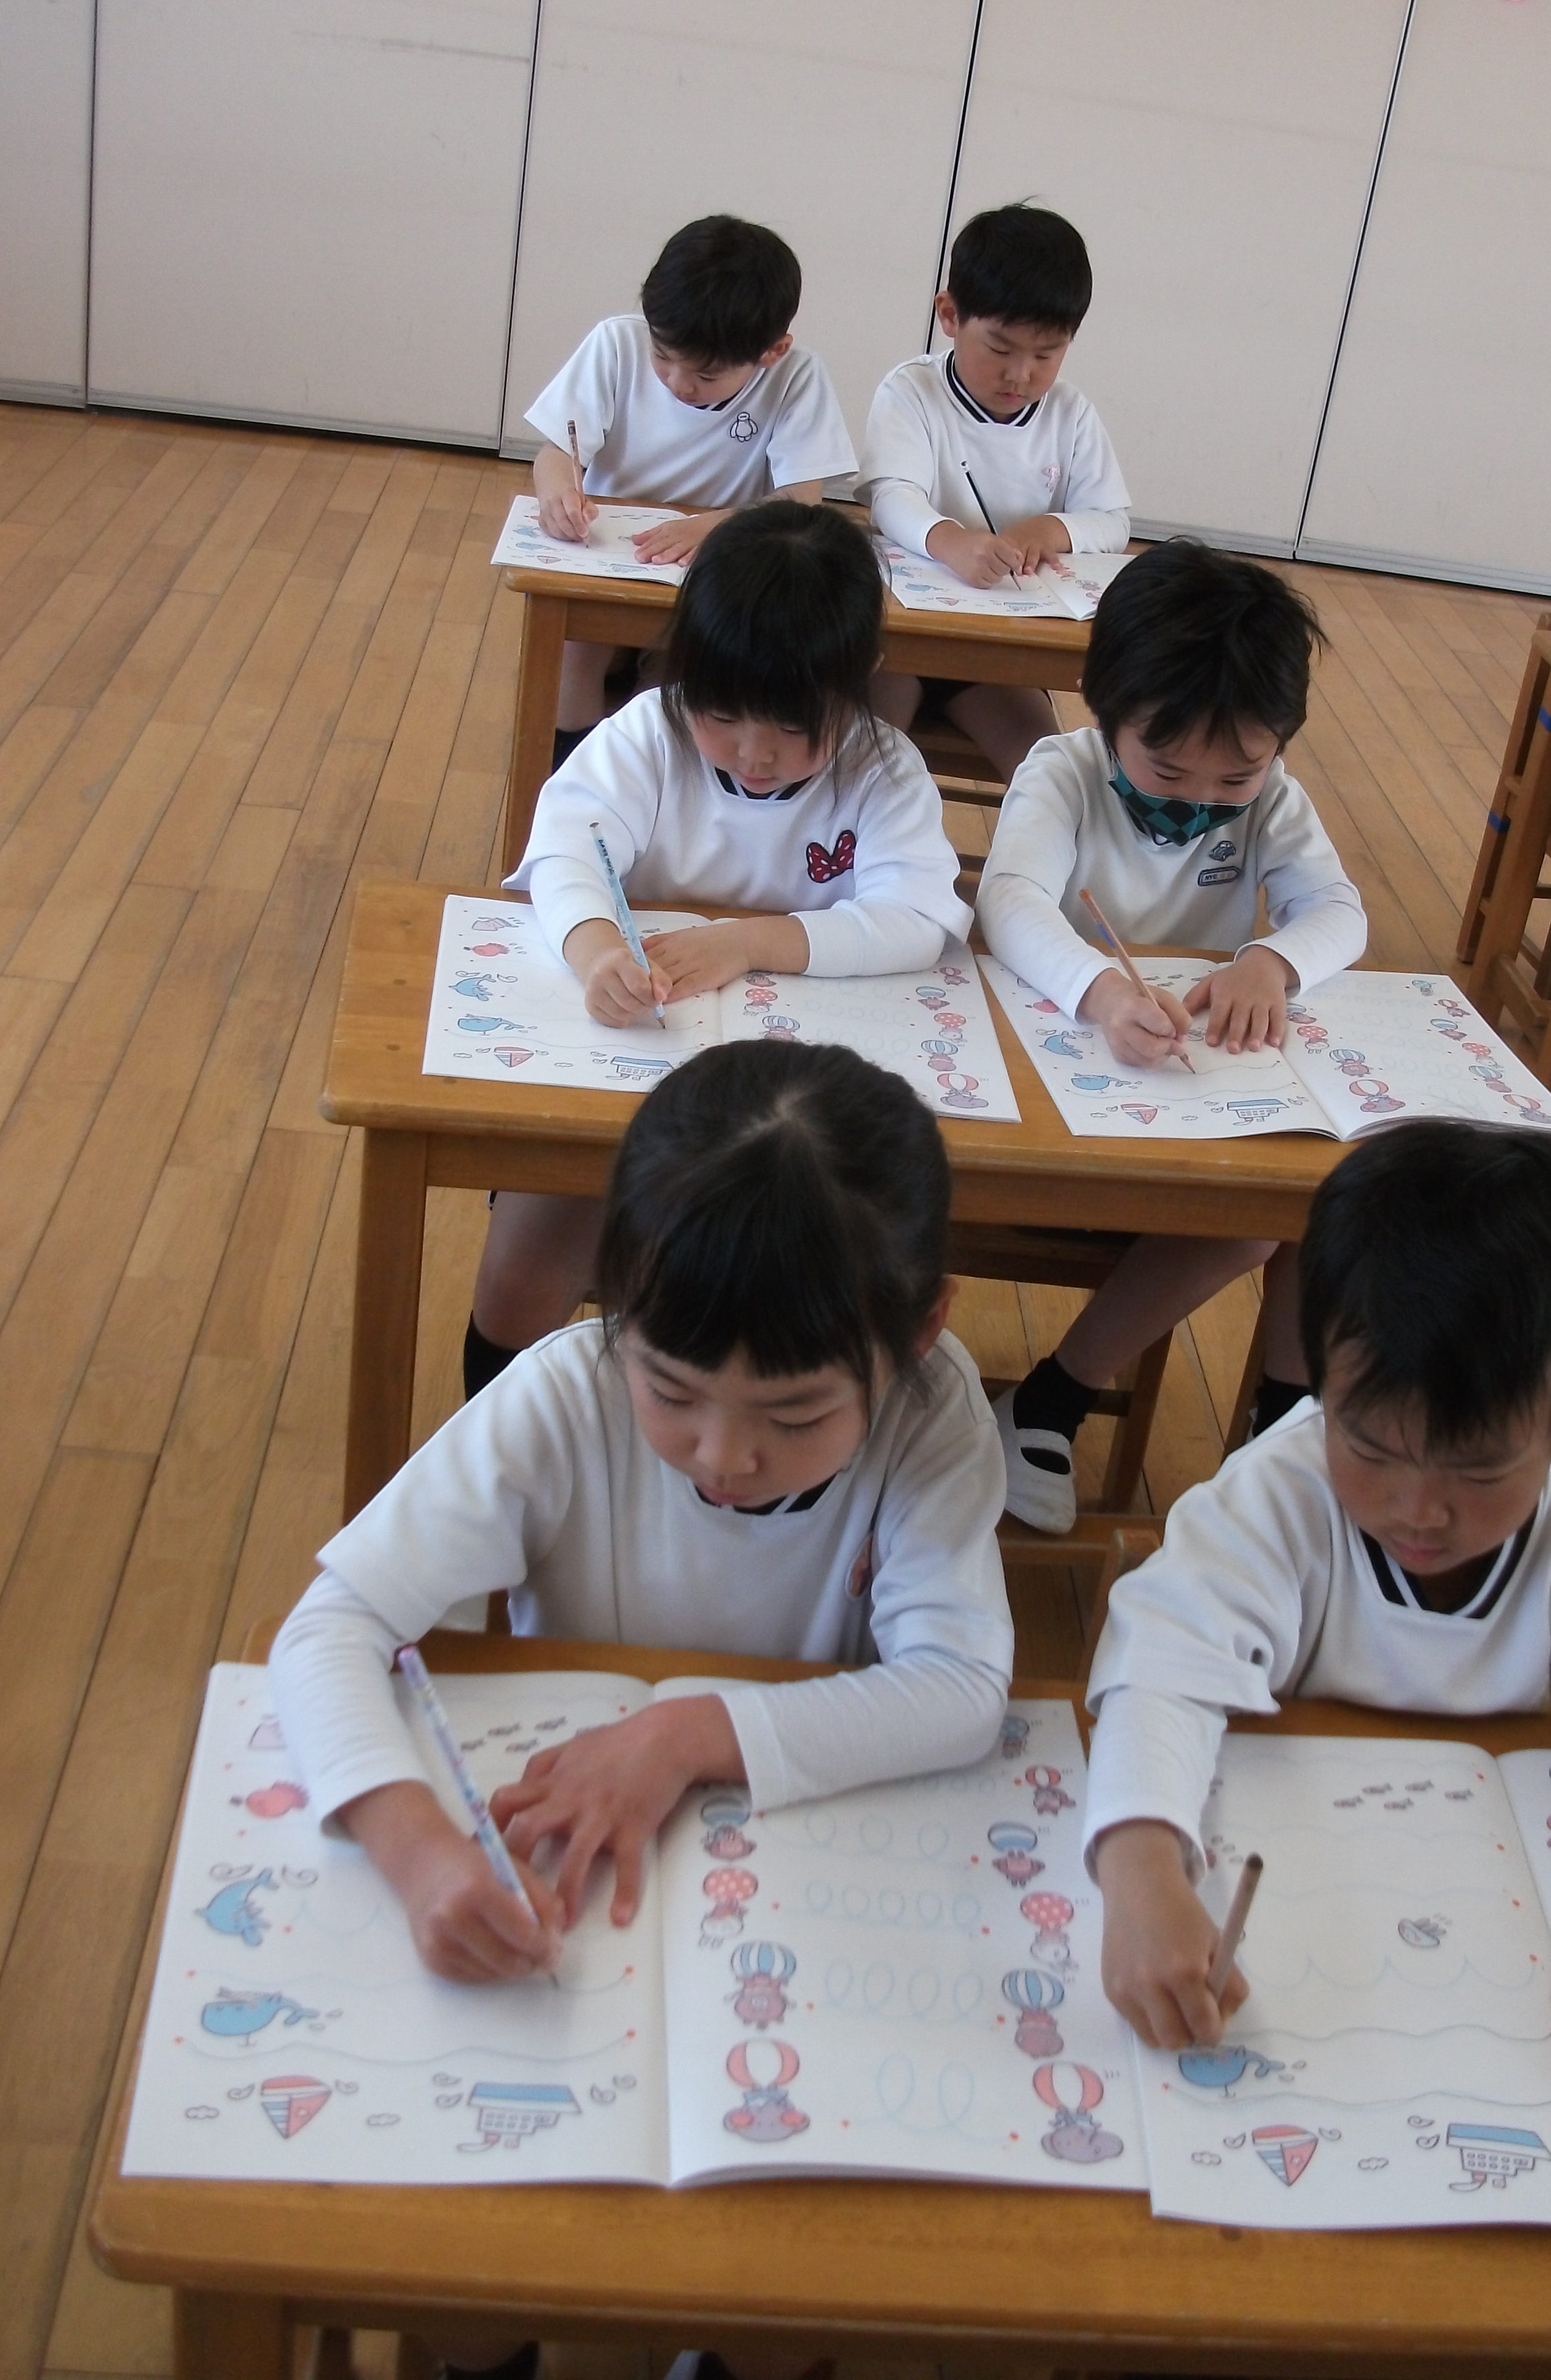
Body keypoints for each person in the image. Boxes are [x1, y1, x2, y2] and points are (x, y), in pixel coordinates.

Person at [272, 1042, 1011, 2380]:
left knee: (787, 2282)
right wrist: (417, 1850)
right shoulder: (566, 1391)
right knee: (472, 2254)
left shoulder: (932, 1417)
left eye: (794, 1414)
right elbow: (330, 1625)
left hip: (799, 1888)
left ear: (917, 1332)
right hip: (559, 1894)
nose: (724, 1455)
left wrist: (681, 1733)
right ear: (616, 1298)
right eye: (672, 1391)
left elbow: (962, 1688)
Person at [1085, 1123, 1551, 2164]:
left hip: (1489, 1945)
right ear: (1317, 1371)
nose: (1418, 1510)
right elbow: (1161, 1677)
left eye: (1480, 1470)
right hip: (1305, 1923)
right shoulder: (1275, 1499)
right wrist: (1141, 1867)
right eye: (1369, 1447)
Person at [464, 501, 969, 1392]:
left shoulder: (883, 770)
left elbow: (922, 917)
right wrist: (595, 951)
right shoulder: (647, 736)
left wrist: (751, 941)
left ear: (861, 680)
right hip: (630, 1068)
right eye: (724, 713)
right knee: (518, 1285)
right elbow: (566, 850)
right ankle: (515, 1429)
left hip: (793, 1122)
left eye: (794, 727)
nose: (754, 753)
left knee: (779, 1301)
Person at [975, 541, 1365, 1529]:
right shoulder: (1062, 772)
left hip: (1180, 1089)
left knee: (1301, 1198)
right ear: (1105, 711)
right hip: (1051, 1075)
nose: (1198, 799)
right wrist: (1102, 993)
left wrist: (1269, 962)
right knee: (1259, 1212)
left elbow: (1339, 912)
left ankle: (1279, 1435)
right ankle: (1054, 1400)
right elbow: (1010, 902)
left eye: (1237, 776)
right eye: (1166, 766)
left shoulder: (1273, 801)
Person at [524, 214, 855, 756]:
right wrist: (558, 490)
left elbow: (802, 501)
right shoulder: (616, 343)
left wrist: (719, 527)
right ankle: (573, 771)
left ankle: (649, 773)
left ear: (772, 351)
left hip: (718, 576)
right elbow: (557, 451)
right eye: (662, 357)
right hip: (612, 556)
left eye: (706, 375)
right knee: (575, 653)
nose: (679, 383)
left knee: (682, 677)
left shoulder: (797, 377)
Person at [860, 202, 1130, 777]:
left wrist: (1049, 529)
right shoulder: (912, 392)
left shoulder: (1070, 414)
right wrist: (951, 541)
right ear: (950, 315)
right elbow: (892, 496)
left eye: (1046, 354)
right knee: (870, 761)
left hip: (1000, 648)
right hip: (898, 639)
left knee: (1045, 769)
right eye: (1001, 349)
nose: (1020, 375)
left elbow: (1112, 520)